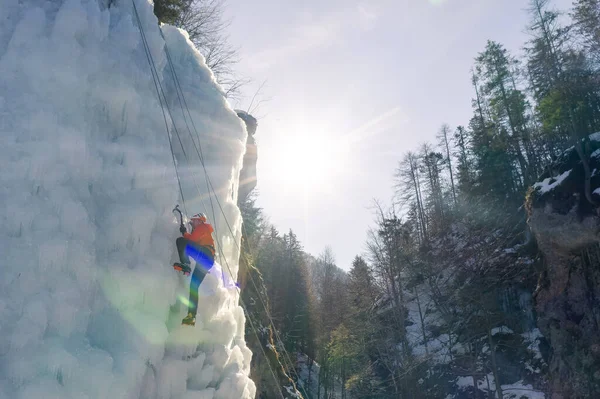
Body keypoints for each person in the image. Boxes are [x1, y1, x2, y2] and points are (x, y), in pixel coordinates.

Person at [173, 212, 216, 326]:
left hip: (204, 254)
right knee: (194, 286)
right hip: (207, 261)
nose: (193, 222)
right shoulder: (203, 230)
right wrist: (186, 232)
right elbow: (194, 240)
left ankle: (186, 265)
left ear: (200, 220)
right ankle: (191, 316)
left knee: (180, 241)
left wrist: (184, 232)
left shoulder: (203, 227)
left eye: (194, 221)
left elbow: (192, 240)